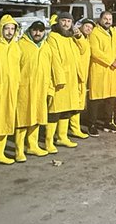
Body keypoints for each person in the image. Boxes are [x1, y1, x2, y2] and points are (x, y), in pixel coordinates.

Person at [45, 14, 82, 150]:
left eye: (69, 21)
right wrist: (59, 79)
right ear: (58, 22)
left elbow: (83, 50)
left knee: (66, 110)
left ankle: (62, 137)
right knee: (55, 111)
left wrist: (79, 37)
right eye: (63, 21)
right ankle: (49, 141)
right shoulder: (53, 37)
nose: (66, 24)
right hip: (59, 80)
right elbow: (54, 60)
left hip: (72, 78)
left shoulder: (71, 37)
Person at [0, 14, 22, 163]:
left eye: (12, 28)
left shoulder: (16, 46)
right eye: (6, 28)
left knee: (7, 120)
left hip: (12, 88)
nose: (9, 31)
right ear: (0, 29)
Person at [16, 21, 51, 157]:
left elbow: (49, 68)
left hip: (41, 88)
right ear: (30, 30)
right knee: (23, 119)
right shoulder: (21, 45)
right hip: (24, 89)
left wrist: (49, 88)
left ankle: (32, 145)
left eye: (40, 31)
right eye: (35, 30)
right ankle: (19, 150)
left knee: (37, 117)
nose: (37, 33)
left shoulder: (46, 47)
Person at [87, 11, 116, 134]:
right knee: (96, 99)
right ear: (100, 19)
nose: (108, 21)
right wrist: (111, 61)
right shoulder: (95, 33)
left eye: (109, 19)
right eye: (105, 19)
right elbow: (95, 51)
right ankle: (92, 124)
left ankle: (108, 122)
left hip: (112, 71)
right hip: (99, 69)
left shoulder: (114, 32)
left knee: (110, 99)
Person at [74, 19, 94, 136]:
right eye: (86, 26)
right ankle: (75, 129)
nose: (88, 29)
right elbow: (82, 48)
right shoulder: (78, 38)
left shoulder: (87, 39)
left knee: (80, 102)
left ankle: (75, 127)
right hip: (78, 75)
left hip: (83, 75)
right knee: (76, 103)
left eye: (91, 28)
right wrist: (79, 36)